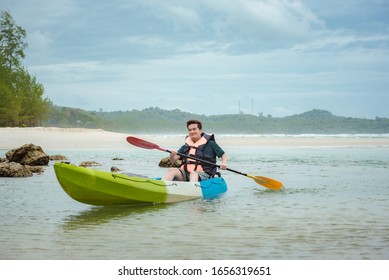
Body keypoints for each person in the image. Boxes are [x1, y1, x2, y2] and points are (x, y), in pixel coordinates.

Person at [162, 119, 228, 182]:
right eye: (190, 130)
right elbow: (173, 160)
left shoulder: (211, 144)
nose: (192, 132)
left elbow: (223, 155)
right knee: (171, 170)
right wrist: (172, 155)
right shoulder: (186, 146)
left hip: (204, 174)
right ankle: (162, 186)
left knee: (193, 174)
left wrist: (224, 163)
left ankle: (191, 190)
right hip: (186, 173)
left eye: (194, 129)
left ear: (200, 130)